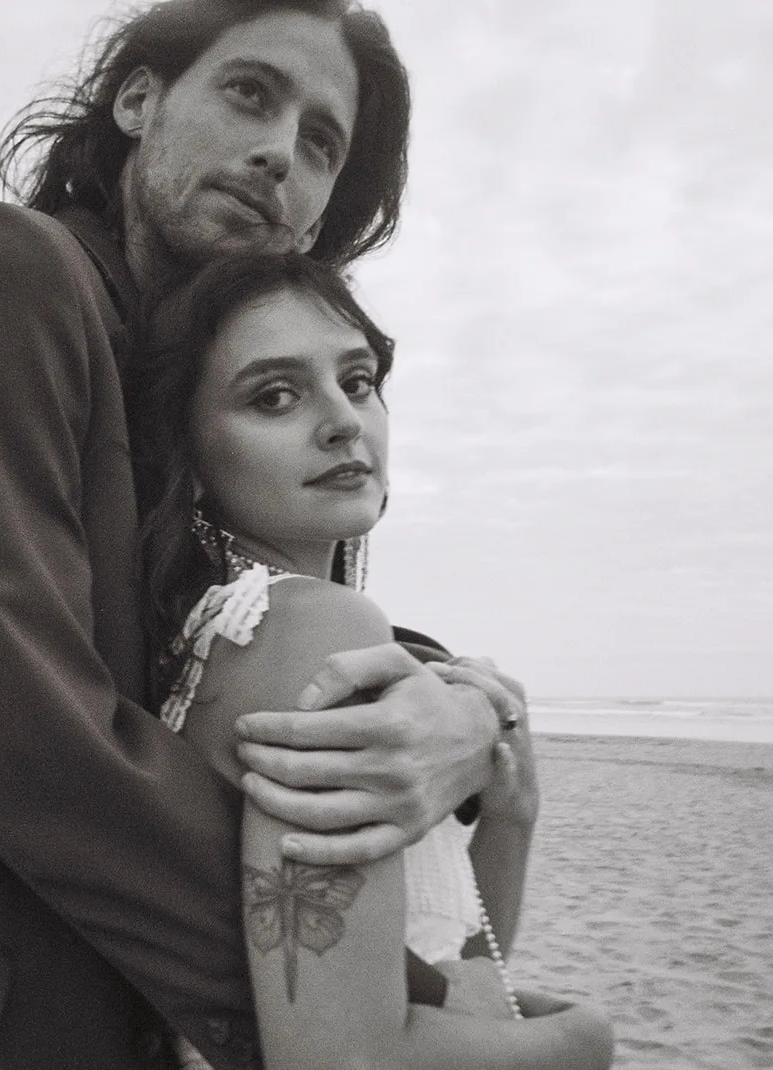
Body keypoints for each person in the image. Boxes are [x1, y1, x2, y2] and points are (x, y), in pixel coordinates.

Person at [0, 2, 514, 1067]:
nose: (279, 151)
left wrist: (462, 699)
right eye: (249, 93)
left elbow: (228, 613)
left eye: (321, 142)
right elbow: (33, 735)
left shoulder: (175, 411)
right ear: (137, 99)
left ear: (318, 215)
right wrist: (368, 1002)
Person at [129, 251, 616, 1069]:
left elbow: (445, 963)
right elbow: (340, 1059)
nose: (343, 421)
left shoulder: (213, 642)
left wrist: (510, 817)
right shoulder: (308, 631)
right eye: (274, 395)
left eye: (357, 381)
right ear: (190, 454)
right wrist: (581, 1043)